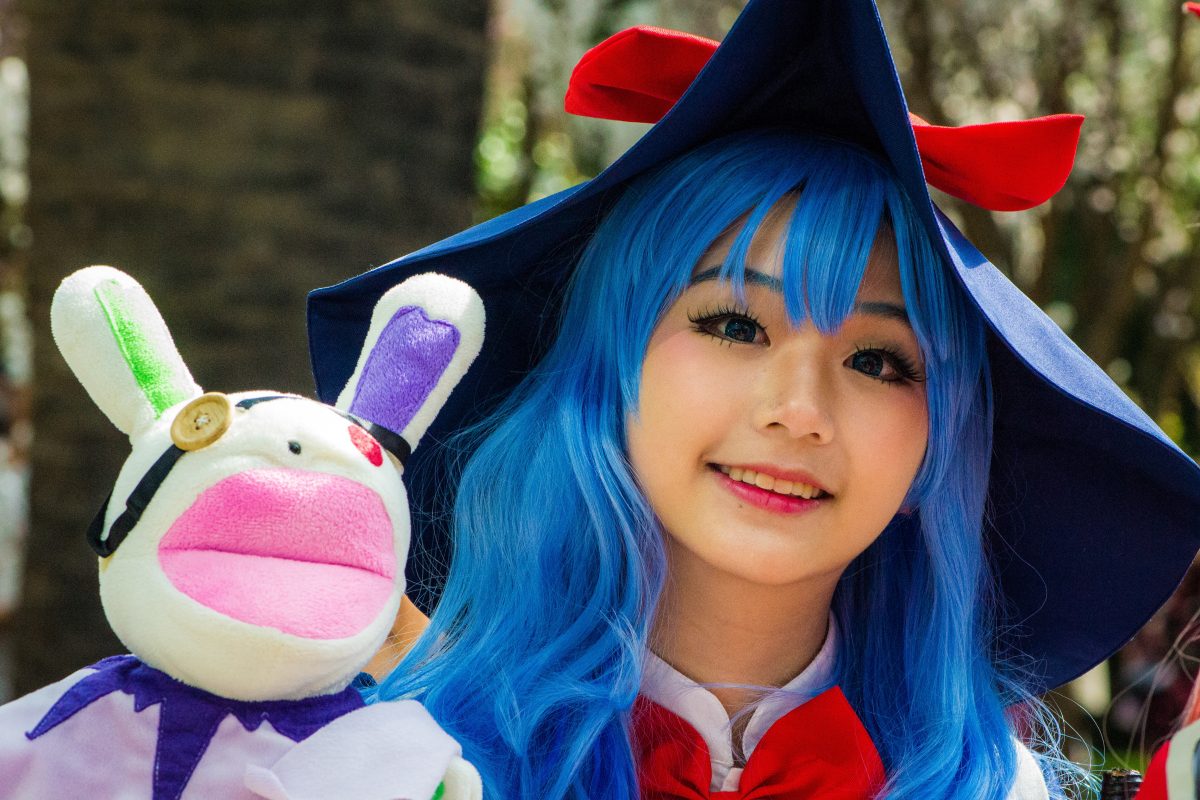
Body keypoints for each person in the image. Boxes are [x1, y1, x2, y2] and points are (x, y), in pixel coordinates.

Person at [306, 1, 1200, 798]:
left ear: (939, 442)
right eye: (736, 325)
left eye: (881, 361)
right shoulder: (369, 766)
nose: (799, 409)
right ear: (603, 369)